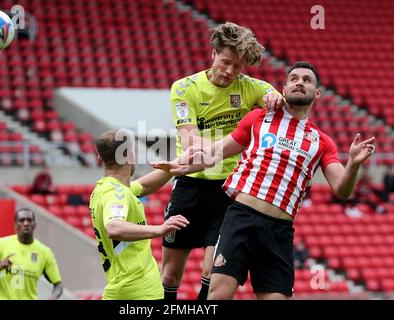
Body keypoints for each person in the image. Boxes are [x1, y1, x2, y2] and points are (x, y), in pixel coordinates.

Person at [154, 61, 376, 299]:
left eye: (307, 80)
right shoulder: (259, 119)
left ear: (317, 93)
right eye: (294, 79)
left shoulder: (322, 142)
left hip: (279, 232)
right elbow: (216, 153)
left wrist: (352, 163)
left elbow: (342, 190)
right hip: (241, 219)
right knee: (217, 296)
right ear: (283, 88)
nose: (300, 82)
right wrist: (180, 167)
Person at [163, 21, 284, 300]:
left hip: (229, 189)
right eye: (226, 62)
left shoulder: (252, 88)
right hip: (191, 184)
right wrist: (232, 144)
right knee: (170, 274)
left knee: (212, 272)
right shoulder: (184, 88)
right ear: (213, 54)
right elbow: (191, 141)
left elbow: (282, 105)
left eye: (238, 66)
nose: (230, 71)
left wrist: (275, 101)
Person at [89, 130, 189, 300]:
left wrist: (179, 163)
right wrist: (159, 229)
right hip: (140, 292)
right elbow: (114, 227)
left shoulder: (105, 189)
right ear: (128, 156)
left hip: (122, 290)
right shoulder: (116, 194)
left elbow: (143, 186)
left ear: (100, 159)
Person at [0, 208, 63, 300]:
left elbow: (58, 285)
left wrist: (53, 297)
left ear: (34, 225)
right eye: (21, 220)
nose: (26, 223)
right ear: (15, 225)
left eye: (29, 220)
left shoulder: (44, 252)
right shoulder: (1, 244)